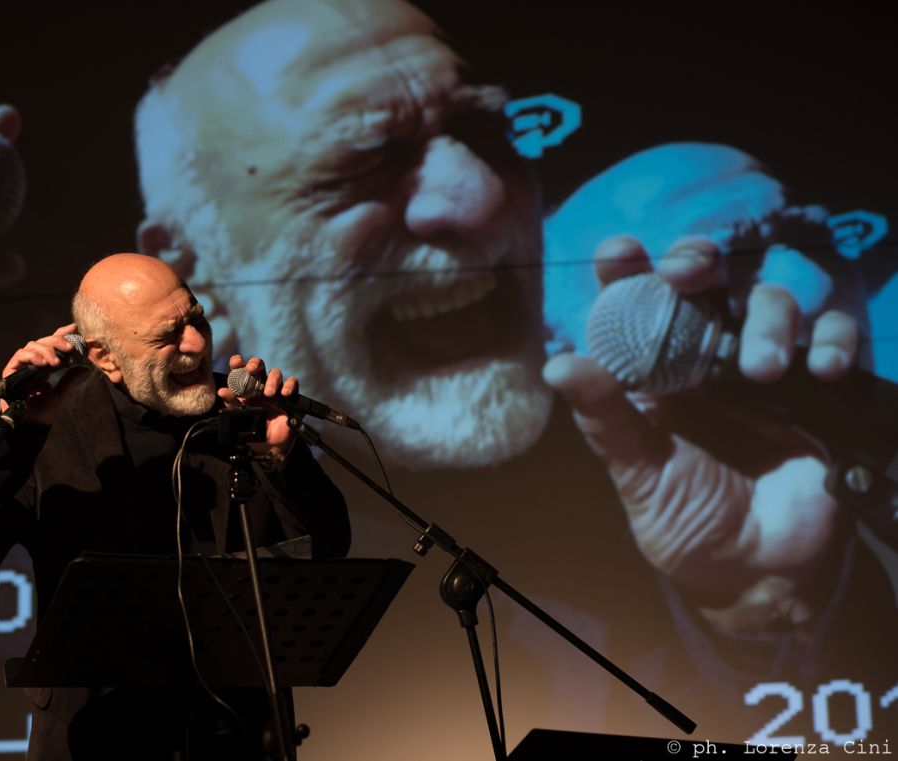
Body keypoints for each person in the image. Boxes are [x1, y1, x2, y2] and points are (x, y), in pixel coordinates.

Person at [127, 0, 897, 751]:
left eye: (486, 133)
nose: (482, 196)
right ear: (197, 268)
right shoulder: (167, 524)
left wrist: (770, 609)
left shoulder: (681, 453)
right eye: (361, 160)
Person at [0, 253, 351, 760]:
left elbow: (327, 551)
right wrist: (16, 433)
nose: (196, 343)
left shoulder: (242, 416)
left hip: (236, 736)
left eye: (197, 319)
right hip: (96, 738)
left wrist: (282, 455)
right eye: (167, 337)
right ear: (104, 357)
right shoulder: (50, 428)